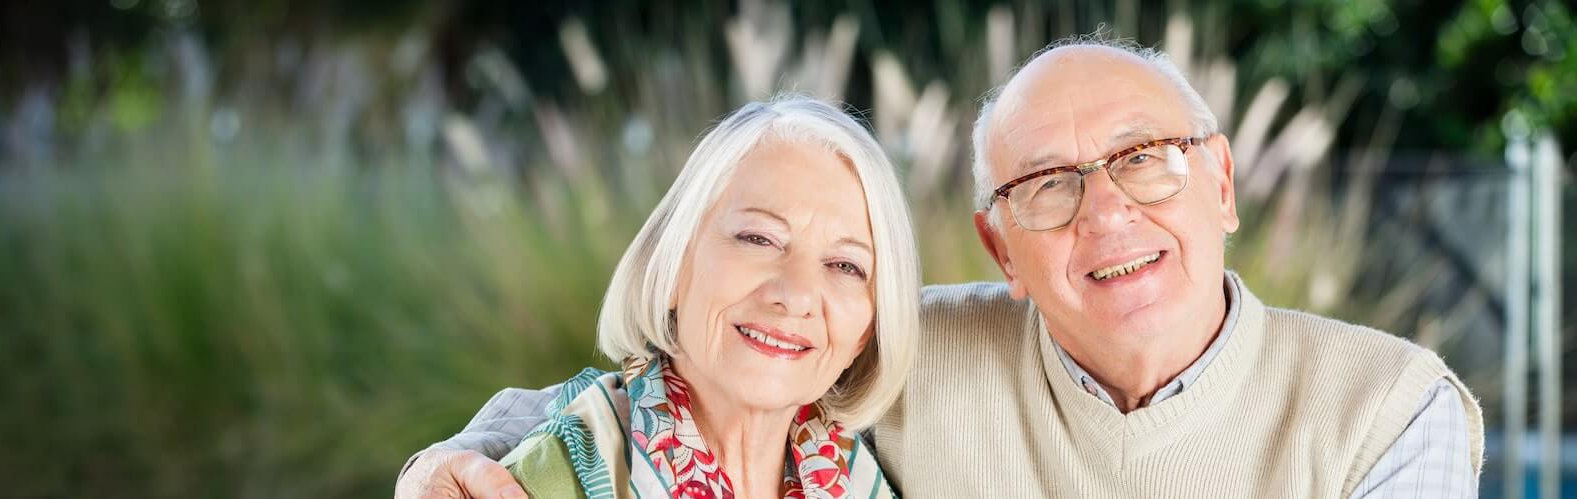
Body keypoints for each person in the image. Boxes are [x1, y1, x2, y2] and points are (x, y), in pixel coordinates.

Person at [397, 37, 1483, 499]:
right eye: (1046, 183)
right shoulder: (904, 354)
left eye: (1145, 161)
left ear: (1225, 184)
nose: (1105, 210)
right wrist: (459, 451)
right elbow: (674, 388)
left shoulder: (1389, 409)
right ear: (998, 248)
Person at [427, 96, 920, 498]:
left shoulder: (862, 480)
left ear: (867, 331)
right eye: (758, 238)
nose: (796, 296)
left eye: (845, 266)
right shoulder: (538, 484)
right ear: (674, 264)